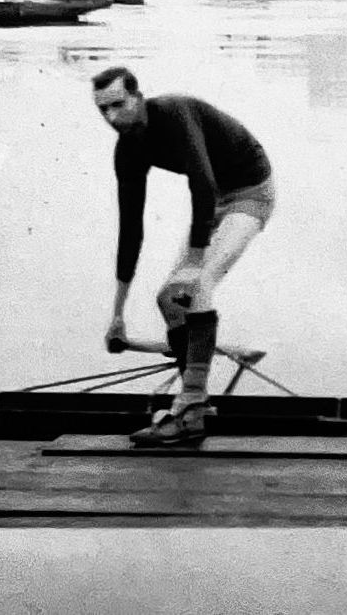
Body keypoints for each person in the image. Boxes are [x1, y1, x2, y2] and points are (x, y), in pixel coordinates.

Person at [92, 66, 275, 446]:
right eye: (103, 109)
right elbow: (130, 231)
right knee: (169, 299)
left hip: (251, 191)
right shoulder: (128, 150)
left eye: (118, 104)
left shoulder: (175, 114)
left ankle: (189, 404)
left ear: (138, 97)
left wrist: (194, 264)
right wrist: (118, 314)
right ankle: (195, 406)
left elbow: (202, 185)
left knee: (197, 287)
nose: (111, 117)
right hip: (217, 199)